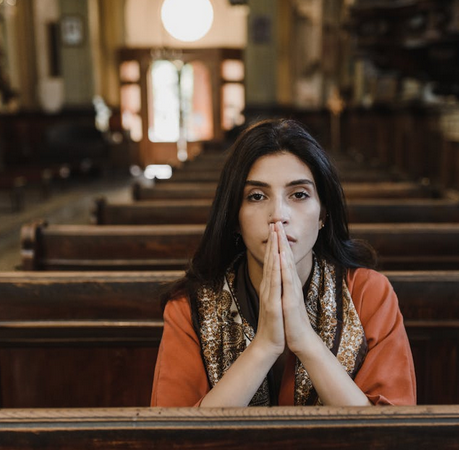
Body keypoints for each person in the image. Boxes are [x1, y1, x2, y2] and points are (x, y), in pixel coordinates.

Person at [151, 119, 416, 407]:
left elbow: (389, 432)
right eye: (256, 196)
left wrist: (305, 341)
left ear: (323, 215)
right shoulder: (189, 306)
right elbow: (175, 434)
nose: (278, 214)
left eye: (299, 195)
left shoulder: (368, 293)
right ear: (235, 218)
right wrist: (264, 347)